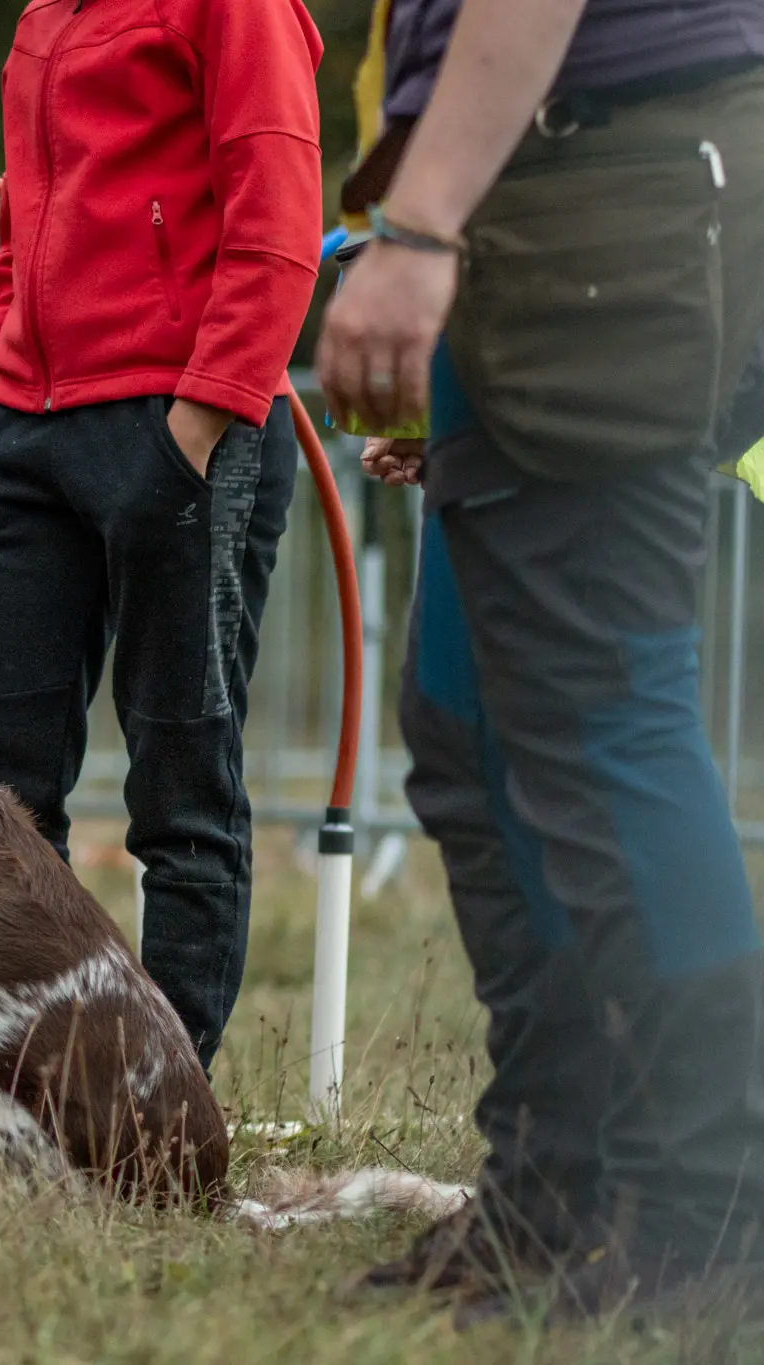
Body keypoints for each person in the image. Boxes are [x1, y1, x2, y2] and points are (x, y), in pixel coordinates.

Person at [319, 0, 764, 1323]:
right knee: (470, 729)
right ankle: (560, 1186)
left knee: (600, 718)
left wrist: (416, 232)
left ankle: (708, 1224)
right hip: (539, 195)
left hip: (607, 185)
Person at [0, 0, 325, 1070]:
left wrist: (200, 419)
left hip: (179, 425)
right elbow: (23, 222)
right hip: (20, 433)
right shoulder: (36, 17)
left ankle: (149, 1115)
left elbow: (276, 214)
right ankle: (6, 1099)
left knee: (179, 780)